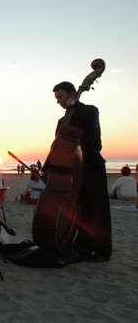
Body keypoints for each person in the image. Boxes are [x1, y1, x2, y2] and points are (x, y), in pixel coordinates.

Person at [49, 81, 112, 261]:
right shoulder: (62, 121)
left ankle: (101, 250)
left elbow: (96, 144)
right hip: (73, 168)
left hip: (92, 165)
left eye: (60, 96)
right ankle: (83, 244)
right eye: (56, 98)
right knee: (78, 209)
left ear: (72, 94)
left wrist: (76, 106)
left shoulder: (89, 111)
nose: (58, 101)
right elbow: (58, 147)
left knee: (96, 208)